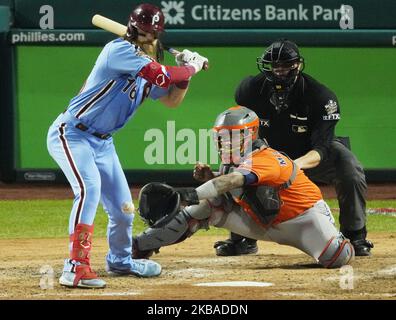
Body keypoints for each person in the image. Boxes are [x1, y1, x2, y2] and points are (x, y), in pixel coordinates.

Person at [46, 3, 208, 288]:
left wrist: (185, 74)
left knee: (123, 209)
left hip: (103, 143)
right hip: (73, 133)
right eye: (141, 33)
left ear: (158, 34)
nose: (145, 38)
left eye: (150, 34)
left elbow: (171, 98)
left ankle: (120, 260)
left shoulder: (148, 66)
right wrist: (191, 66)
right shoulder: (118, 51)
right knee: (88, 190)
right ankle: (75, 267)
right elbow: (164, 76)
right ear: (132, 30)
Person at [132, 106, 355, 269]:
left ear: (250, 135)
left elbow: (232, 182)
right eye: (222, 137)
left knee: (337, 257)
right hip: (264, 223)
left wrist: (187, 194)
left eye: (233, 136)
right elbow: (231, 180)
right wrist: (212, 176)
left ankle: (342, 239)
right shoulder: (232, 162)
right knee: (210, 206)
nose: (226, 142)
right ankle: (139, 246)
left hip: (304, 221)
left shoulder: (266, 158)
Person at [214, 39, 373, 257]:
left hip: (310, 154)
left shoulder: (321, 98)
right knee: (235, 166)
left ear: (297, 65)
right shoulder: (249, 90)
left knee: (350, 167)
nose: (279, 71)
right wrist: (253, 163)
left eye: (286, 65)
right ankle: (242, 238)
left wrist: (289, 166)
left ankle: (355, 235)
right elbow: (246, 134)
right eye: (275, 66)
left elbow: (322, 149)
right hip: (269, 154)